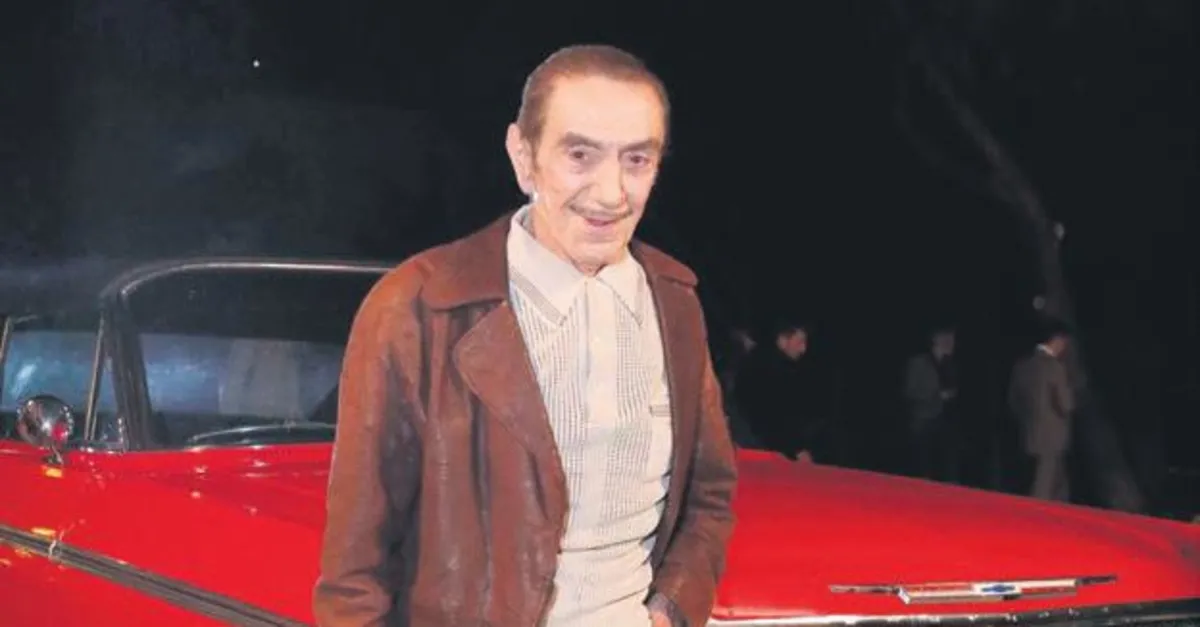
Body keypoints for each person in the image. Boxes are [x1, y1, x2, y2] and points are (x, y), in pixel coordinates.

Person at [313, 44, 738, 627]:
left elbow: (709, 496)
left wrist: (670, 609)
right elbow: (354, 577)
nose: (611, 192)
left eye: (636, 160)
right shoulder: (417, 308)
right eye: (580, 155)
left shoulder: (674, 303)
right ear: (523, 156)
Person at [735, 319, 827, 460]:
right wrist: (795, 448)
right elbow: (773, 416)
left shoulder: (766, 365)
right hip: (761, 450)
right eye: (799, 342)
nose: (803, 349)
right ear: (783, 340)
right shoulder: (769, 372)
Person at [1008, 319, 1074, 502]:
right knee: (1042, 491)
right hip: (1052, 439)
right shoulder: (1055, 368)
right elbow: (1065, 404)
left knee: (1055, 487)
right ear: (1057, 341)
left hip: (1028, 435)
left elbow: (1013, 402)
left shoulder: (1022, 366)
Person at [902, 326, 960, 483]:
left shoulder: (950, 364)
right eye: (948, 339)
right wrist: (937, 395)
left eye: (953, 339)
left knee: (948, 468)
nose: (952, 343)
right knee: (924, 470)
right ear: (936, 340)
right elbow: (910, 391)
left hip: (945, 423)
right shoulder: (918, 362)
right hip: (923, 422)